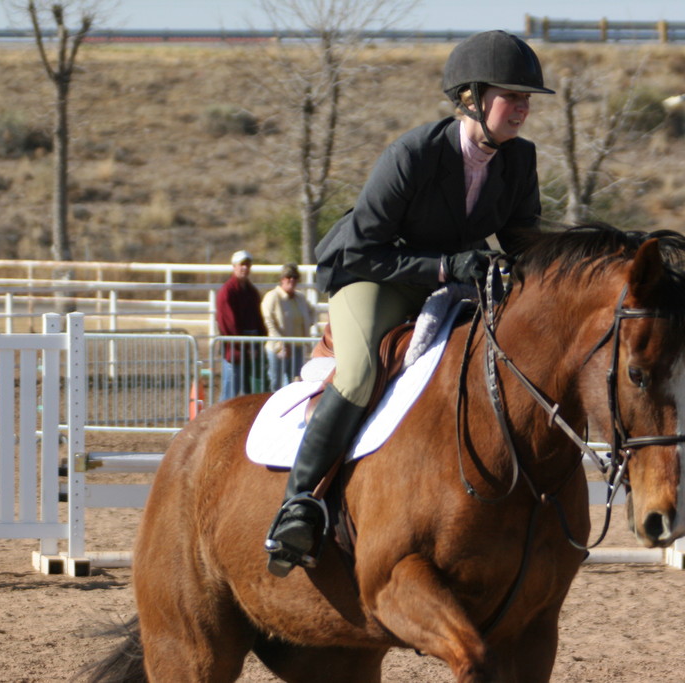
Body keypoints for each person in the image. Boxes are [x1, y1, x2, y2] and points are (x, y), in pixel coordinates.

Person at [263, 30, 553, 577]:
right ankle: (297, 506)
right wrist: (446, 266)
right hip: (372, 273)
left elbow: (523, 242)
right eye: (511, 95)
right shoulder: (413, 155)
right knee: (359, 372)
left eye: (527, 99)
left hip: (452, 280)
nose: (522, 108)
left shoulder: (520, 160)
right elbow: (365, 247)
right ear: (470, 97)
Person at [216, 250, 267, 400]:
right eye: (242, 265)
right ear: (234, 266)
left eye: (247, 265)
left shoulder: (251, 292)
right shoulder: (227, 292)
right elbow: (229, 325)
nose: (245, 268)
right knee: (230, 394)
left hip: (251, 349)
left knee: (251, 394)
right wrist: (246, 346)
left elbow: (258, 319)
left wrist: (258, 344)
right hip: (236, 351)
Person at [261, 263, 317, 391]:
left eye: (294, 277)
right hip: (277, 349)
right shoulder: (272, 297)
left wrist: (308, 326)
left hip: (297, 347)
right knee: (275, 383)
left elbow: (312, 312)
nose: (291, 280)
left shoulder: (300, 297)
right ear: (282, 279)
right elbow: (269, 322)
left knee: (295, 382)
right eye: (288, 276)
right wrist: (280, 343)